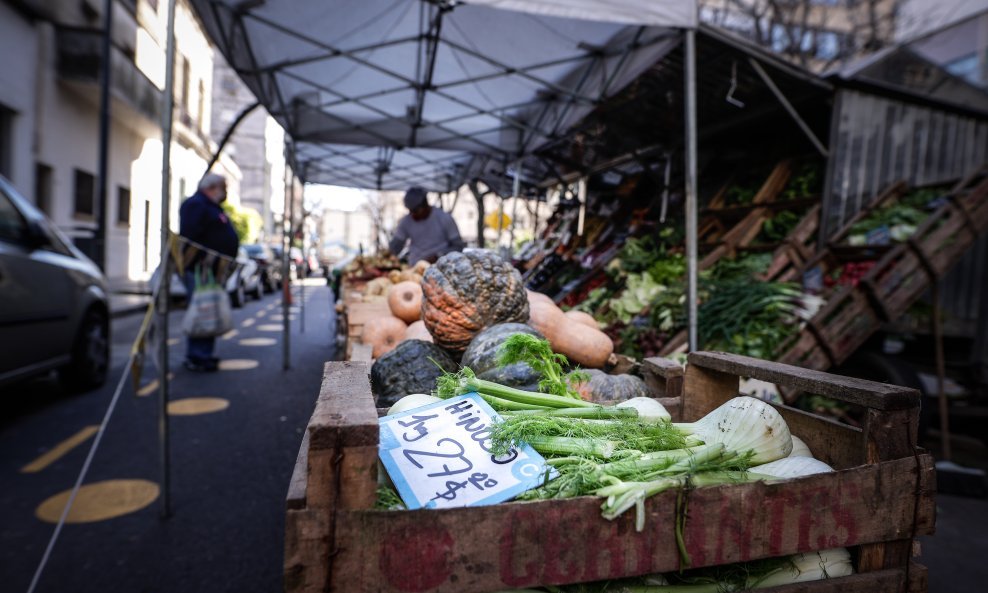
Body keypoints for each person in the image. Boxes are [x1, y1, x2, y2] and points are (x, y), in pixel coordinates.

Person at [178, 172, 239, 372]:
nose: (225, 193)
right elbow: (190, 237)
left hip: (211, 270)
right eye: (223, 188)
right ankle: (197, 356)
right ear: (213, 187)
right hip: (201, 269)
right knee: (201, 311)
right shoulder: (196, 205)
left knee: (209, 312)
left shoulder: (210, 206)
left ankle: (204, 353)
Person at [388, 186, 465, 264]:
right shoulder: (406, 221)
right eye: (410, 211)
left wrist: (439, 256)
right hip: (415, 266)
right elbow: (395, 246)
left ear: (425, 204)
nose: (413, 214)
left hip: (441, 267)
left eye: (415, 211)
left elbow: (458, 247)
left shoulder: (444, 218)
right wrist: (390, 251)